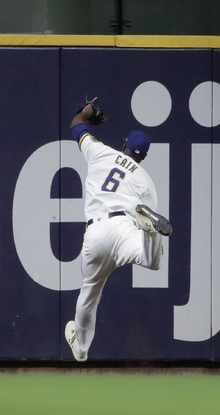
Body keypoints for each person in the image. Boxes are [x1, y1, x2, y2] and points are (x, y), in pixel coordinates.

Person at [64, 101, 172, 362]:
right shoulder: (145, 180)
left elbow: (76, 126)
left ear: (123, 145)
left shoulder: (100, 152)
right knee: (153, 261)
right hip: (125, 227)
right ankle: (151, 232)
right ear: (143, 156)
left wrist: (86, 111)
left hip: (96, 231)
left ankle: (81, 349)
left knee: (89, 291)